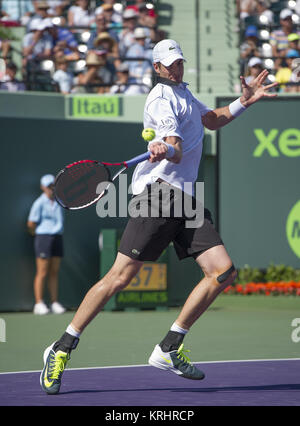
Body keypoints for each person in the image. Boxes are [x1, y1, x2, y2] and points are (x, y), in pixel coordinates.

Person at [40, 38, 277, 395]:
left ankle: (169, 346)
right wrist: (165, 145)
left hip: (185, 198)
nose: (176, 67)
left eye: (179, 61)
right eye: (169, 64)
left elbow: (212, 120)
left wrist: (245, 101)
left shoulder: (183, 93)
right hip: (158, 195)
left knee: (223, 271)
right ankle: (61, 348)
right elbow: (177, 150)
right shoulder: (160, 98)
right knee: (119, 279)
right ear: (157, 68)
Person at [27, 174, 66, 315]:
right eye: (49, 186)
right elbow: (31, 223)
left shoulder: (58, 201)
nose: (51, 189)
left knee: (54, 272)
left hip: (57, 237)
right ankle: (39, 303)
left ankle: (54, 303)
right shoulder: (39, 203)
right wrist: (38, 234)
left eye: (53, 186)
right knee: (42, 272)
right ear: (43, 187)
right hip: (43, 238)